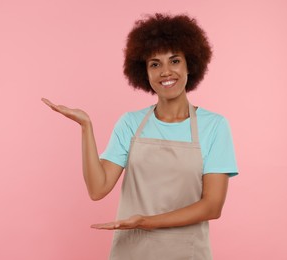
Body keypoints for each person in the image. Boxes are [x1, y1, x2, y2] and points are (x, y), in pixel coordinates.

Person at [42, 13, 238, 260]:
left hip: (187, 253)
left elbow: (212, 206)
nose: (166, 72)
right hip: (131, 253)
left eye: (175, 61)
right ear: (144, 72)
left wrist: (147, 221)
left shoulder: (215, 127)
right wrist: (86, 127)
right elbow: (97, 189)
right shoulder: (130, 123)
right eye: (155, 64)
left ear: (190, 64)